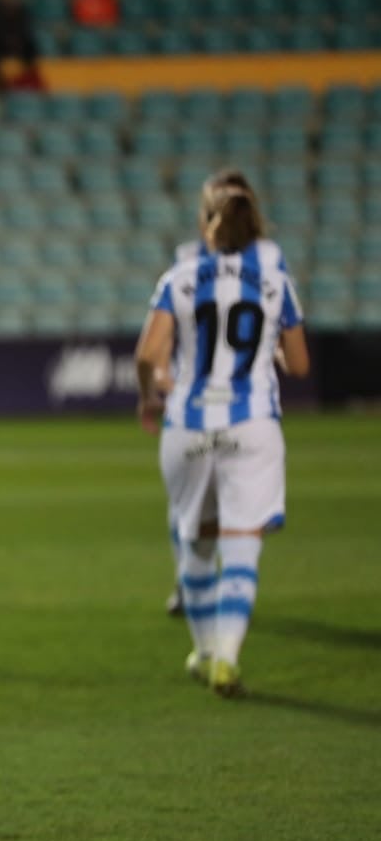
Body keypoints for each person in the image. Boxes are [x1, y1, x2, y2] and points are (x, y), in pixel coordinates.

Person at [136, 182, 309, 699]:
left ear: (204, 225)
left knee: (196, 539)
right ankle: (228, 658)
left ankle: (206, 649)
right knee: (240, 545)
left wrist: (150, 396)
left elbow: (149, 356)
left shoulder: (181, 278)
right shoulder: (276, 282)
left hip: (188, 426)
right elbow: (298, 364)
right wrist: (268, 354)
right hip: (250, 424)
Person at [161, 171, 289, 618]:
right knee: (192, 501)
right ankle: (193, 579)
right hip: (202, 393)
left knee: (222, 501)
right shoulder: (190, 258)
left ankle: (214, 585)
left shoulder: (267, 259)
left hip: (235, 396)